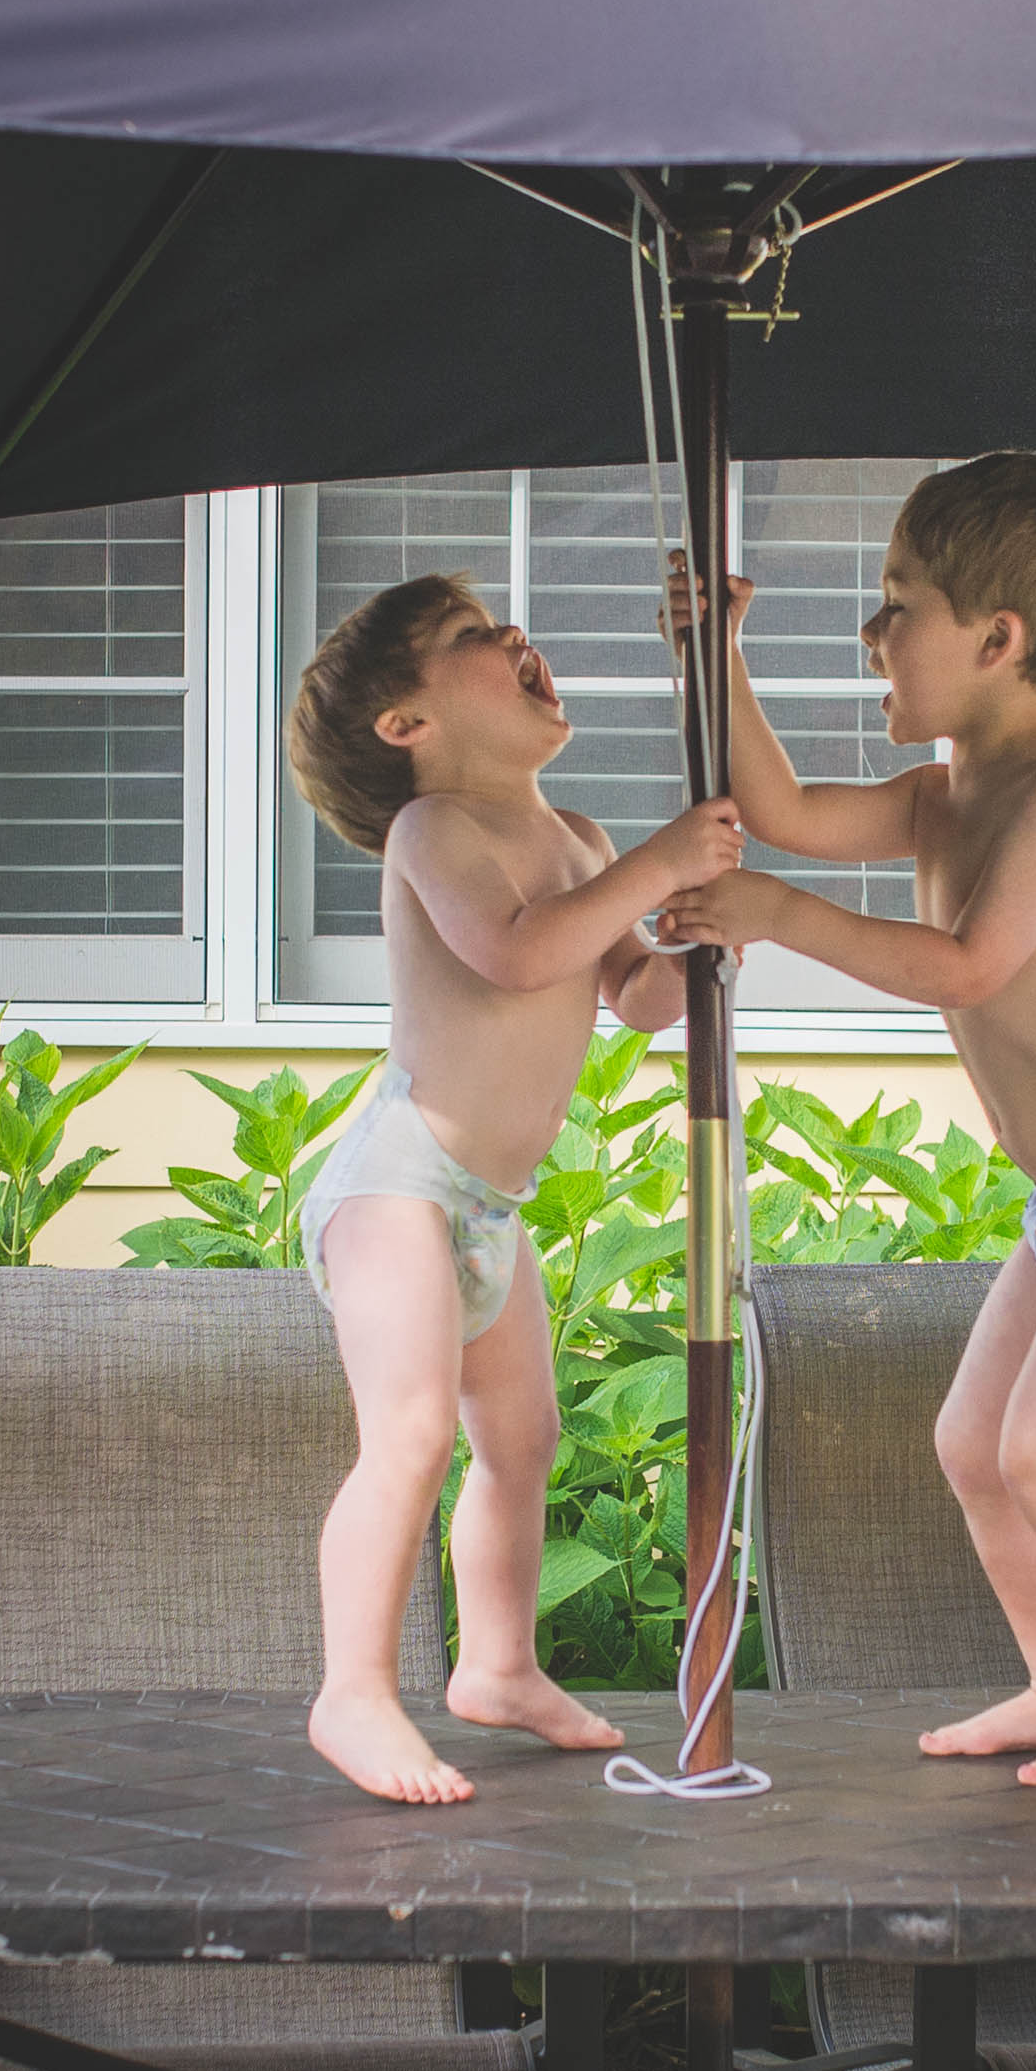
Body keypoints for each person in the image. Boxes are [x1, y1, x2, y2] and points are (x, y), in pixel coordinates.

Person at [658, 454, 1036, 1791]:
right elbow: (783, 811)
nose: (873, 633)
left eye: (898, 602)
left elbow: (970, 965)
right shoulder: (938, 795)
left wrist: (779, 915)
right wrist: (712, 653)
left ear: (996, 638)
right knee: (973, 1446)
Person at [283, 571, 741, 1805]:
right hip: (399, 1184)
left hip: (487, 1207)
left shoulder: (578, 839)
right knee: (412, 1431)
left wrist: (701, 940)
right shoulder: (436, 831)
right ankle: (352, 1689)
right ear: (408, 724)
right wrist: (661, 861)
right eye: (472, 636)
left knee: (523, 1441)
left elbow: (629, 992)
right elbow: (519, 950)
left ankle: (495, 1665)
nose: (515, 636)